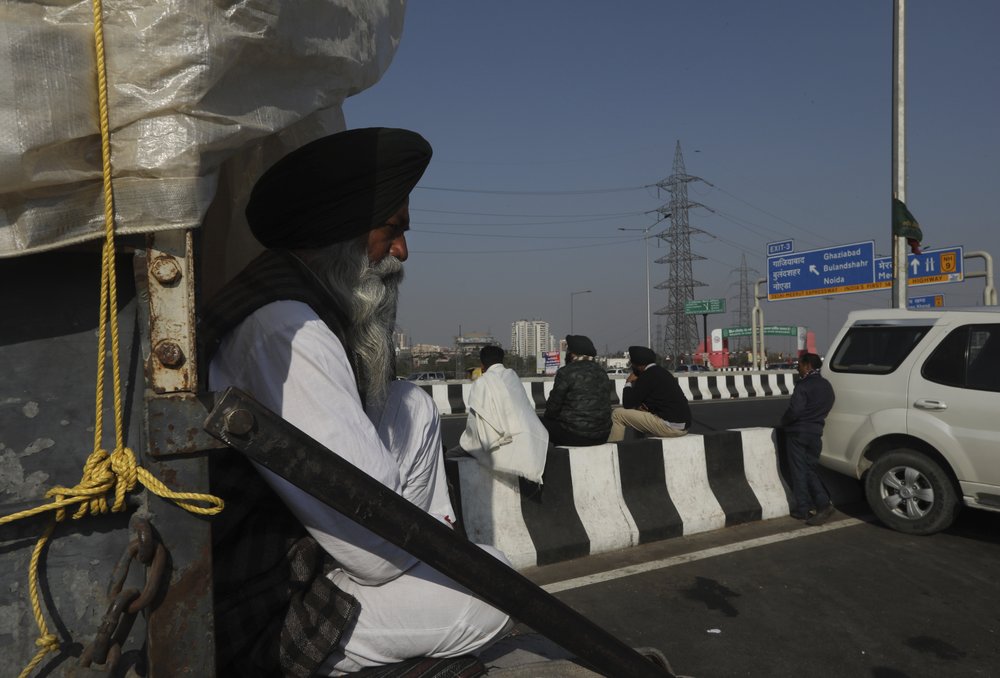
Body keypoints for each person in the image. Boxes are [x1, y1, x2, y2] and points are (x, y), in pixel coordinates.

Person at [202, 128, 512, 676]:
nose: (402, 252)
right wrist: (412, 564)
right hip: (266, 609)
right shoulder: (287, 328)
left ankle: (427, 564)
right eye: (391, 231)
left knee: (409, 403)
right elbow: (373, 554)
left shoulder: (293, 303)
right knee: (495, 591)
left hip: (309, 558)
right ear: (339, 231)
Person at [451, 345, 549, 484]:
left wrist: (468, 441)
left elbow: (475, 425)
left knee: (451, 455)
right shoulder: (512, 375)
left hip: (502, 442)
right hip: (531, 437)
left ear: (482, 365)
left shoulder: (482, 382)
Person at [780, 352, 836, 526]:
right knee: (811, 469)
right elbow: (829, 403)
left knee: (798, 471)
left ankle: (803, 508)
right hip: (815, 432)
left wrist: (783, 422)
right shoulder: (826, 385)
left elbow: (795, 411)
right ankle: (823, 503)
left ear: (807, 366)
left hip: (798, 433)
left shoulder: (803, 385)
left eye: (799, 365)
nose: (798, 368)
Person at [607, 346, 691, 442]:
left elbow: (628, 404)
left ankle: (614, 450)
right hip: (684, 426)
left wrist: (628, 382)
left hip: (670, 427)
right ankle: (641, 447)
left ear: (638, 365)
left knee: (617, 414)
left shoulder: (646, 376)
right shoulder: (663, 372)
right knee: (639, 414)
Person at [540, 334, 612, 446]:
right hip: (602, 436)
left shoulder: (566, 372)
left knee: (536, 422)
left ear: (572, 353)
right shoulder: (602, 372)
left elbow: (552, 408)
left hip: (575, 436)